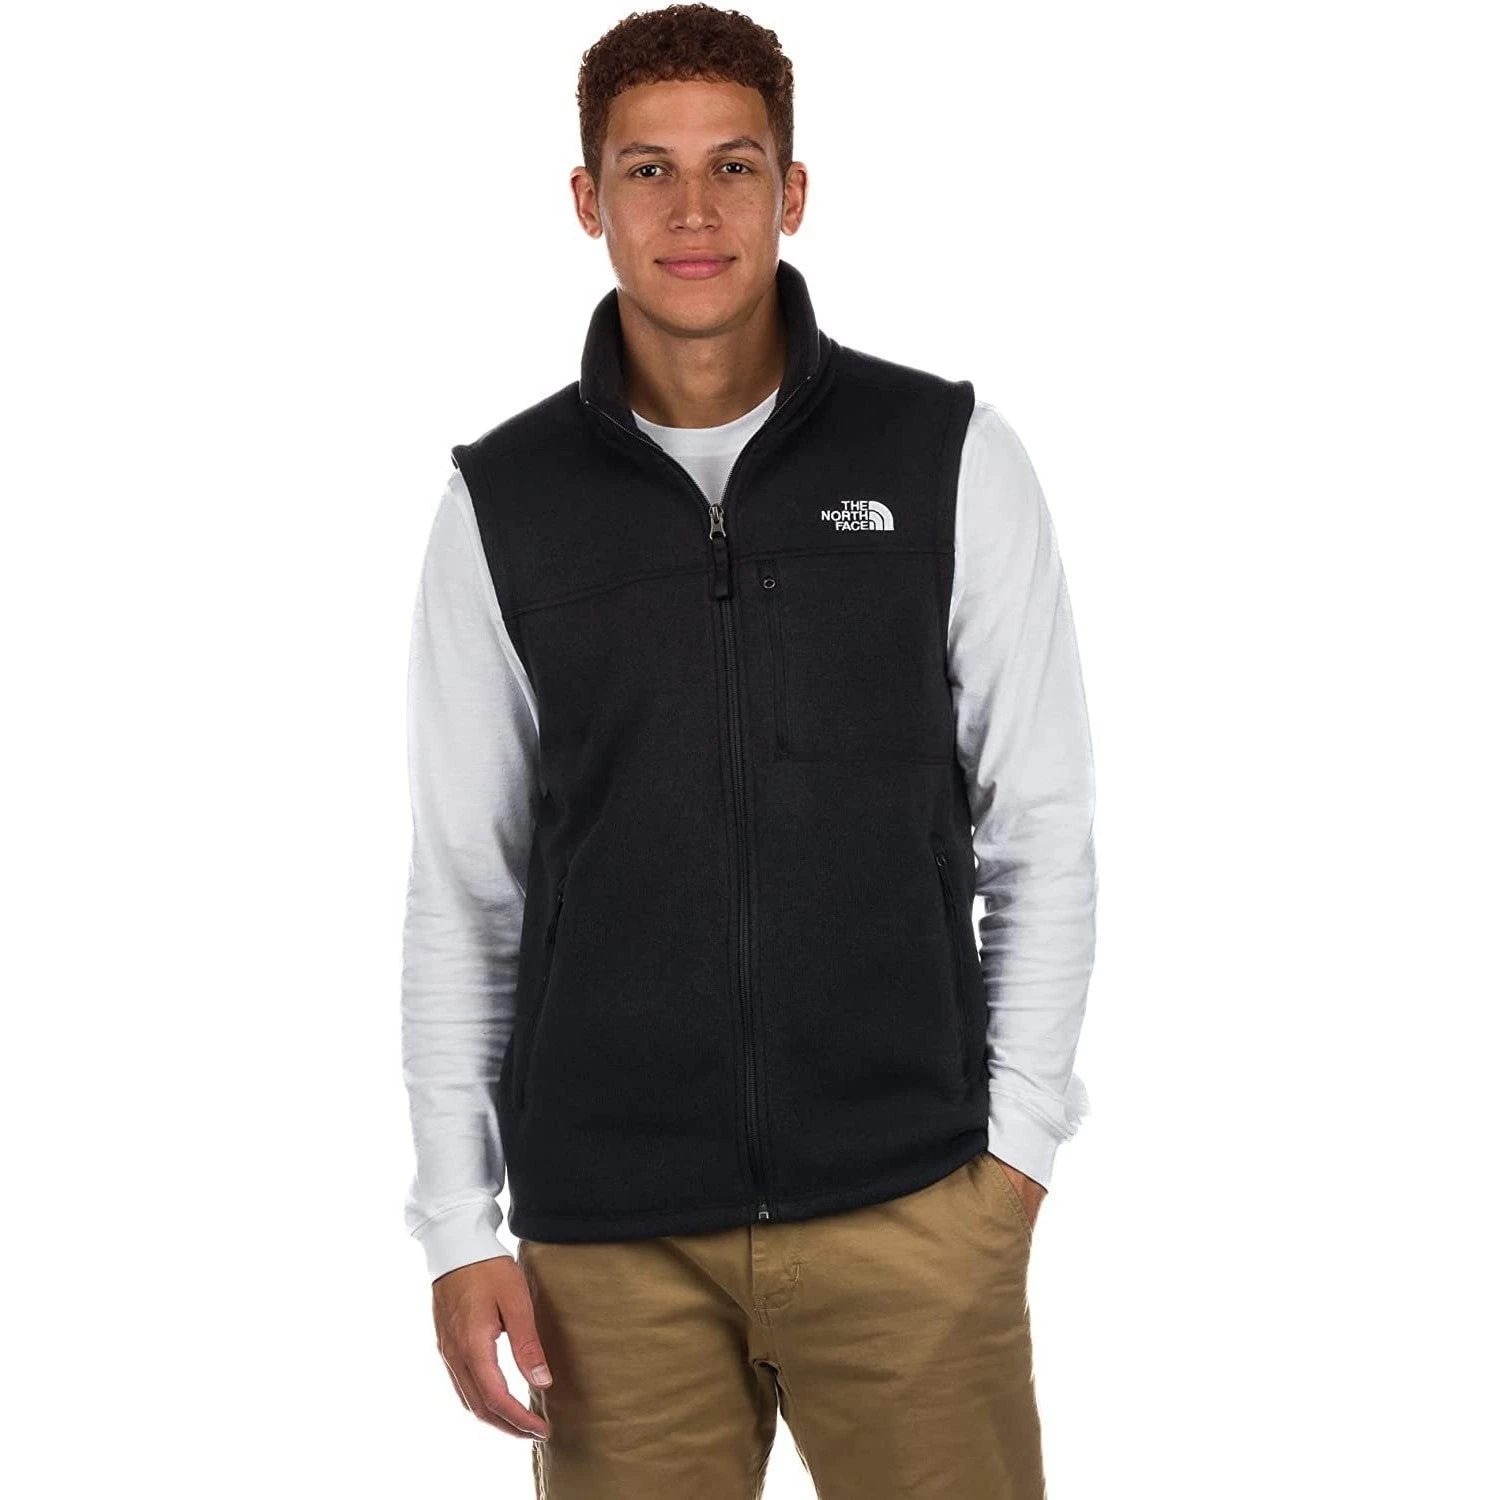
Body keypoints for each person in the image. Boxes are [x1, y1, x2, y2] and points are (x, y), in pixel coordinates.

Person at [400, 5, 1097, 1495]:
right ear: (586, 200)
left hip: (911, 1209)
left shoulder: (948, 457)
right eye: (646, 171)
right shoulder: (502, 506)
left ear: (794, 191)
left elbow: (1039, 827)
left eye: (733, 165)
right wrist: (460, 1227)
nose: (693, 210)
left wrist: (1016, 1157)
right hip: (609, 1249)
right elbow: (467, 888)